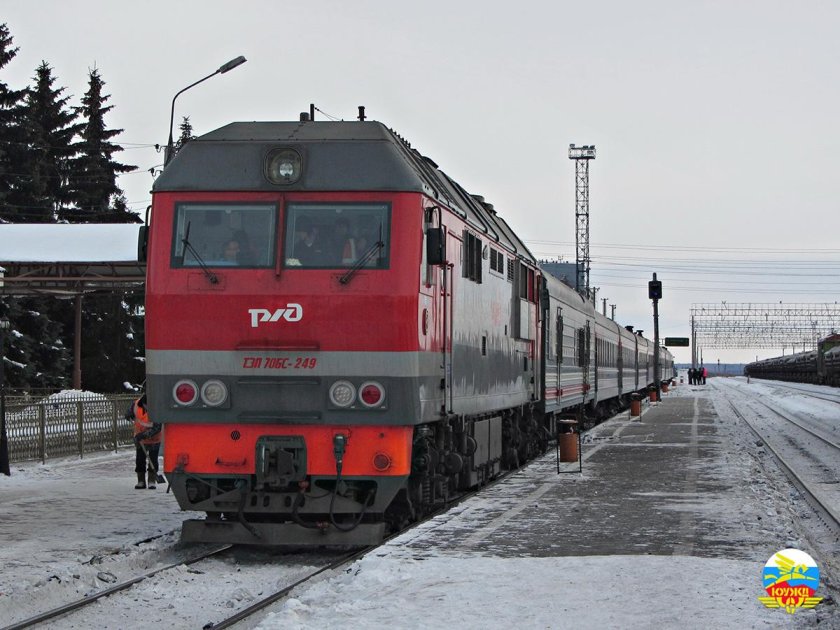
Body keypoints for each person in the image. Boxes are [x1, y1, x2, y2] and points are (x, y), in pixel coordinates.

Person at [125, 394, 162, 489]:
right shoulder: (136, 404)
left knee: (153, 461)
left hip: (154, 439)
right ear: (144, 403)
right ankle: (141, 481)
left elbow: (157, 428)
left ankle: (151, 480)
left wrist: (143, 435)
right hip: (139, 439)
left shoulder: (157, 409)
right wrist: (128, 414)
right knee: (140, 460)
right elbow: (130, 411)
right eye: (146, 405)